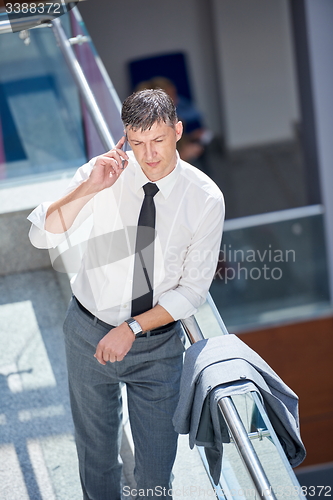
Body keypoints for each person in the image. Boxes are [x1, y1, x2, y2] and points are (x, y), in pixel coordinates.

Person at [28, 89, 224, 499]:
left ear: (178, 130)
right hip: (87, 332)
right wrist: (88, 188)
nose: (148, 155)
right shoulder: (106, 173)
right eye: (137, 143)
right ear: (125, 138)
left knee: (154, 474)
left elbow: (192, 290)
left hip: (156, 348)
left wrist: (132, 328)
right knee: (97, 459)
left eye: (158, 140)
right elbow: (41, 234)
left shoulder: (205, 199)